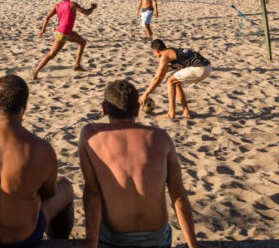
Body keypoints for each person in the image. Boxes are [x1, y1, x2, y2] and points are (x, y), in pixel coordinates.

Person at [79, 80, 201, 248]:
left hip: (113, 238)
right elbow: (178, 195)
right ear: (137, 109)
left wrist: (91, 242)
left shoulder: (91, 136)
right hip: (157, 239)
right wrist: (193, 245)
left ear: (104, 108)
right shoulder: (161, 137)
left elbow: (92, 193)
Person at [0, 75, 74, 248]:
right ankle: (57, 242)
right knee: (64, 186)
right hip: (20, 239)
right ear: (24, 106)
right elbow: (48, 193)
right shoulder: (41, 149)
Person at [31, 0, 97, 80]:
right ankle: (36, 70)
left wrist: (43, 30)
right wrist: (93, 7)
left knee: (82, 42)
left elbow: (47, 17)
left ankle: (77, 65)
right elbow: (86, 13)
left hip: (60, 31)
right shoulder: (72, 4)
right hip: (64, 33)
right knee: (51, 54)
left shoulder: (57, 6)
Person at [139, 40, 212, 119]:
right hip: (207, 67)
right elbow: (160, 77)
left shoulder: (165, 56)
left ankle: (171, 113)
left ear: (156, 51)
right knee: (174, 82)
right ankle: (186, 112)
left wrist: (145, 94)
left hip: (200, 68)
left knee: (170, 81)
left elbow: (157, 78)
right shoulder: (170, 52)